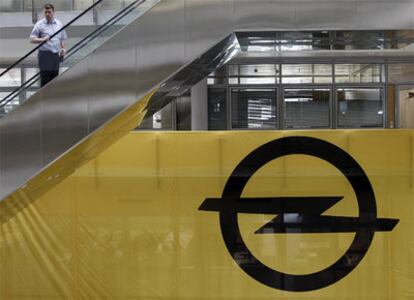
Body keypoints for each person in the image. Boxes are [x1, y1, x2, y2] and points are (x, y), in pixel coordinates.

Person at [29, 3, 67, 87]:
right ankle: (44, 99)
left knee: (55, 79)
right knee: (45, 80)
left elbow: (62, 38)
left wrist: (63, 49)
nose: (47, 14)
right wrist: (42, 40)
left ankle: (53, 99)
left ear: (53, 12)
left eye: (49, 12)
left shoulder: (59, 24)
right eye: (45, 12)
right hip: (44, 55)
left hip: (55, 55)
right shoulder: (39, 24)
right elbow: (31, 39)